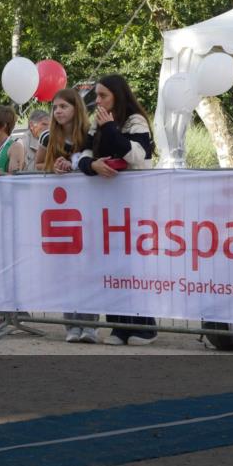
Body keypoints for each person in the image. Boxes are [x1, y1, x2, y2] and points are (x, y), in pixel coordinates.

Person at [77, 74, 157, 345]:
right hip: (105, 205)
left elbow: (136, 155)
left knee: (133, 265)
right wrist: (92, 166)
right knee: (110, 264)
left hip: (133, 204)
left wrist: (111, 128)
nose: (98, 101)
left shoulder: (135, 121)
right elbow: (83, 154)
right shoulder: (95, 124)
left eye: (103, 96)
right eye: (96, 96)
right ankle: (118, 326)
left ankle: (143, 326)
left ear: (118, 97)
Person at [41, 89, 97, 342]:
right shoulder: (48, 136)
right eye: (55, 107)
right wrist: (53, 166)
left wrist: (74, 166)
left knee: (87, 267)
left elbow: (95, 161)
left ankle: (90, 325)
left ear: (76, 108)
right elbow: (39, 165)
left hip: (87, 207)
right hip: (60, 209)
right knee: (67, 268)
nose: (58, 111)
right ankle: (71, 324)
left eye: (63, 106)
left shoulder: (89, 135)